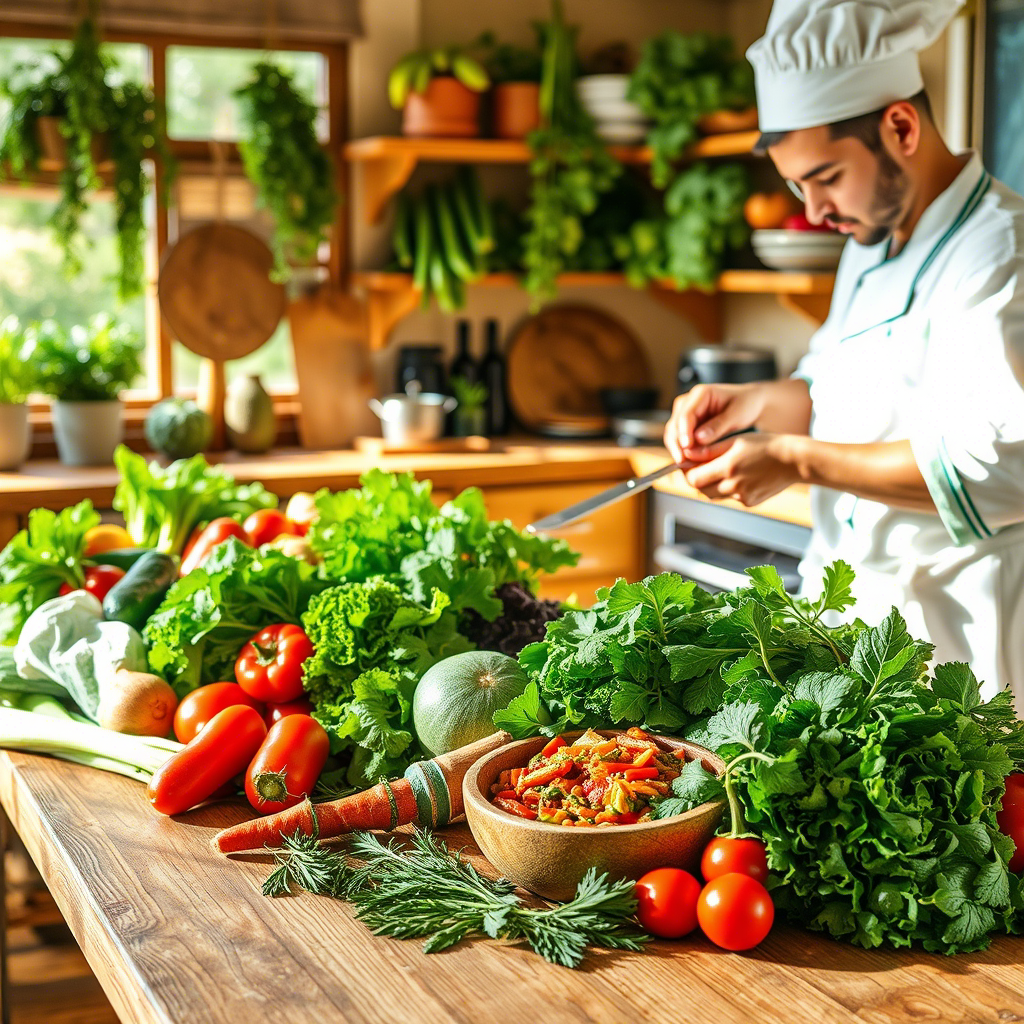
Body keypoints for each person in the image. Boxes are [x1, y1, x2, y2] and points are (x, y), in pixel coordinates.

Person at [663, 0, 1024, 707]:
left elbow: (1004, 465)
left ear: (900, 126)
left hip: (964, 639)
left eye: (827, 177)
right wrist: (751, 404)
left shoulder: (1001, 251)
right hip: (855, 628)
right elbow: (827, 384)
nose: (817, 211)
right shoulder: (872, 237)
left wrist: (794, 459)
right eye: (799, 186)